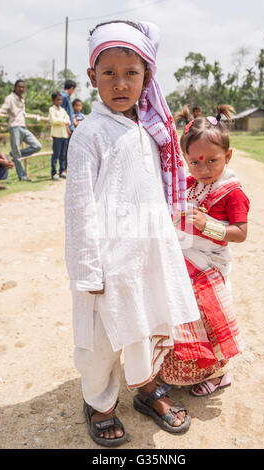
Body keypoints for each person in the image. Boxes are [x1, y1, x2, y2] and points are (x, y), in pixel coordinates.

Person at [65, 20, 201, 447]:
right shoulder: (89, 135)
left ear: (147, 77)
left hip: (142, 258)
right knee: (101, 343)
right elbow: (78, 210)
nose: (120, 83)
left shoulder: (147, 130)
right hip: (105, 266)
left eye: (131, 73)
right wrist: (88, 271)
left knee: (143, 327)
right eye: (108, 73)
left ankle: (144, 389)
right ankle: (100, 403)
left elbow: (155, 192)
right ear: (92, 77)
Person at [159, 104, 250, 396]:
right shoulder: (188, 183)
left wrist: (208, 224)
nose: (204, 169)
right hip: (185, 259)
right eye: (195, 162)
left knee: (210, 315)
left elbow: (240, 233)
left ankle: (219, 373)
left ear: (229, 156)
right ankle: (187, 366)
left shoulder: (232, 192)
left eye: (212, 161)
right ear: (185, 160)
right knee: (181, 311)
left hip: (209, 263)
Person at [0, 79, 41, 181]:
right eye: (19, 87)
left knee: (37, 146)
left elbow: (23, 113)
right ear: (15, 87)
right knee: (17, 155)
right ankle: (22, 176)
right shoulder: (10, 98)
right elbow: (4, 108)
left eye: (23, 87)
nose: (21, 89)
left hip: (23, 127)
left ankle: (15, 154)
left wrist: (36, 116)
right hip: (14, 127)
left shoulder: (22, 100)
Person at [48, 92, 71, 181]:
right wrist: (63, 121)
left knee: (63, 154)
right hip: (56, 135)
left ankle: (62, 171)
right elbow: (53, 121)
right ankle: (54, 173)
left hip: (64, 135)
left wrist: (62, 121)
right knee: (56, 154)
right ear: (53, 100)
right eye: (58, 100)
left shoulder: (63, 110)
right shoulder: (51, 110)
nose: (60, 101)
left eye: (61, 100)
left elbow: (68, 120)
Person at [61, 79, 76, 171]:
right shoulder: (64, 97)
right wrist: (67, 127)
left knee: (69, 148)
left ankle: (66, 168)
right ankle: (64, 168)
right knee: (66, 149)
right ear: (71, 88)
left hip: (70, 126)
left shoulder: (65, 97)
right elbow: (62, 113)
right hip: (67, 127)